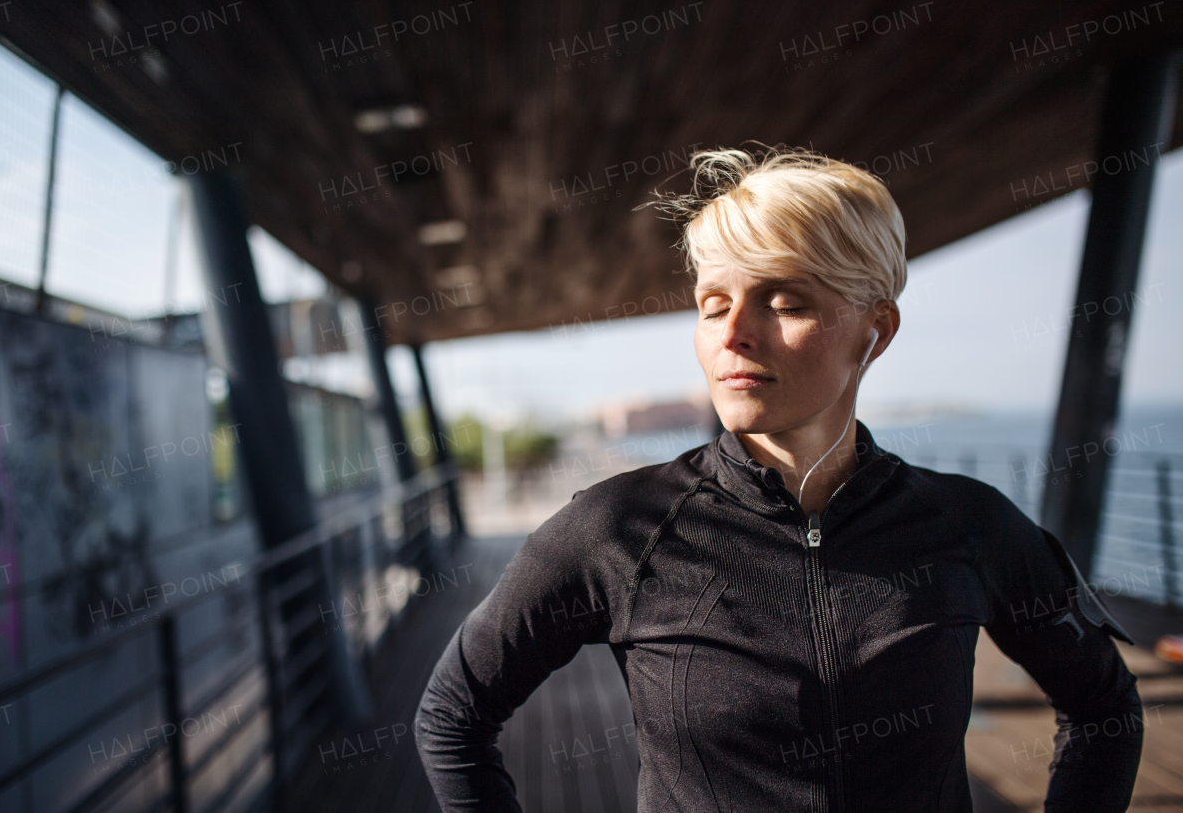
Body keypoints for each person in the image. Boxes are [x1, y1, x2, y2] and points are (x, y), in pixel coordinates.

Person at [414, 146, 1143, 812]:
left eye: (785, 301)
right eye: (713, 305)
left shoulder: (967, 524)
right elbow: (452, 717)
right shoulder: (619, 529)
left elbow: (1103, 707)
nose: (734, 334)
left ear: (875, 331)